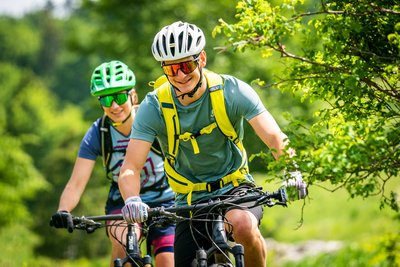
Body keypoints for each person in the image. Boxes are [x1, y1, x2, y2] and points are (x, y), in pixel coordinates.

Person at [118, 21, 306, 267]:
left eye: (186, 65)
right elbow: (131, 166)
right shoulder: (154, 106)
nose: (181, 75)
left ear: (202, 59)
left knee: (243, 226)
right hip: (188, 199)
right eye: (172, 69)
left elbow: (274, 137)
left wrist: (292, 169)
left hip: (235, 186)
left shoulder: (232, 91)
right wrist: (132, 199)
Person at [50, 60, 175, 267]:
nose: (114, 106)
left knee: (167, 261)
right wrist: (63, 210)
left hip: (165, 199)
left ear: (132, 94)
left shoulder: (153, 120)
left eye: (118, 96)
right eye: (107, 99)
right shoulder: (99, 133)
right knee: (126, 241)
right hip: (122, 203)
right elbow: (76, 183)